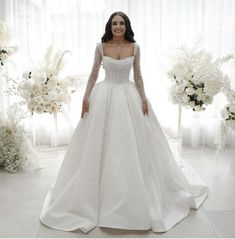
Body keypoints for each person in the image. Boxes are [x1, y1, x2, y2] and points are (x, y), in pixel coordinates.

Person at [39, 11, 209, 234]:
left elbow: (138, 75)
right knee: (99, 144)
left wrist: (144, 98)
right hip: (104, 96)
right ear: (109, 26)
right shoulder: (101, 47)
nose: (118, 26)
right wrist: (86, 97)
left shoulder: (135, 47)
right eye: (114, 23)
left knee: (129, 144)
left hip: (128, 95)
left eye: (121, 23)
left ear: (126, 26)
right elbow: (92, 74)